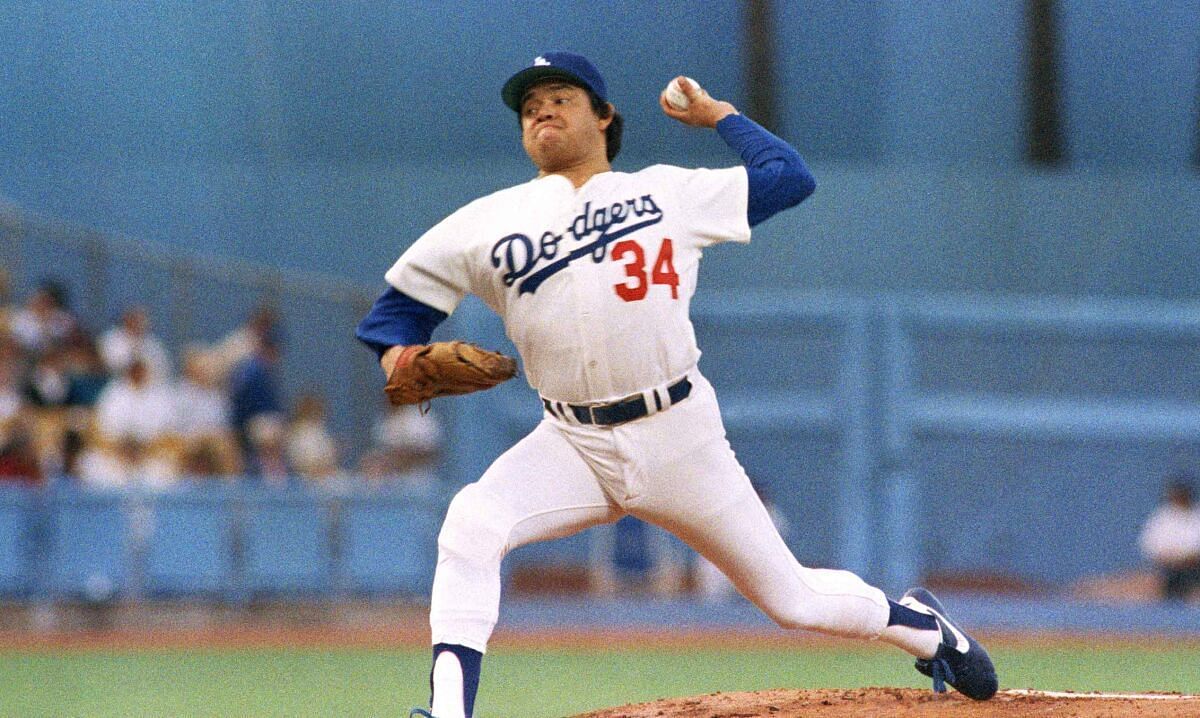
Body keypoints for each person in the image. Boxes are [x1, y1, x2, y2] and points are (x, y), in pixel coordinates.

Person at [356, 53, 997, 718]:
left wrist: (718, 114)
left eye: (559, 97)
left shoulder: (668, 193)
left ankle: (924, 628)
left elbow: (789, 177)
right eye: (528, 106)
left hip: (677, 435)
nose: (540, 110)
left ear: (604, 117)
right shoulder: (484, 223)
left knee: (793, 599)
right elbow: (393, 317)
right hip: (571, 441)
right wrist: (397, 363)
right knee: (470, 522)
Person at [1139, 475, 1200, 601]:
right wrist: (1174, 560)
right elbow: (1151, 547)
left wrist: (1190, 559)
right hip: (1169, 570)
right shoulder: (1161, 518)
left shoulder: (1197, 515)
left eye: (1182, 495)